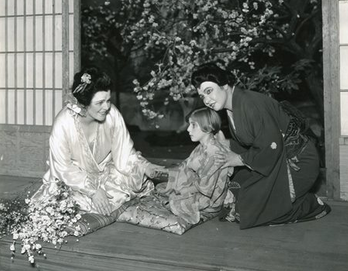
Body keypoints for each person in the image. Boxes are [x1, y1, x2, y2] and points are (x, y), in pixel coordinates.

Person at [191, 62, 331, 229]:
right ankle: (283, 199)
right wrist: (226, 144)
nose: (207, 100)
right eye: (202, 96)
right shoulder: (233, 106)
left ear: (225, 85)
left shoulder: (250, 104)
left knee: (249, 210)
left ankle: (310, 205)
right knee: (238, 188)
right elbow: (254, 142)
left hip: (297, 162)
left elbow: (271, 145)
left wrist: (238, 159)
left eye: (209, 91)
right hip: (276, 158)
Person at [31, 66, 161, 216]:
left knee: (135, 178)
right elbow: (63, 168)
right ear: (83, 104)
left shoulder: (112, 114)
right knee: (64, 201)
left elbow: (125, 154)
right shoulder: (63, 124)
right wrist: (92, 191)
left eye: (108, 100)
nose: (106, 107)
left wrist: (145, 166)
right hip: (74, 179)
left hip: (106, 174)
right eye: (100, 103)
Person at [116, 107, 234, 234]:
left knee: (174, 199)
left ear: (209, 127)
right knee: (164, 188)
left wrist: (182, 189)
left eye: (193, 125)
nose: (188, 129)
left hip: (210, 198)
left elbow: (206, 188)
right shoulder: (203, 146)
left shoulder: (214, 152)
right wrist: (163, 171)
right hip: (198, 186)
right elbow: (185, 166)